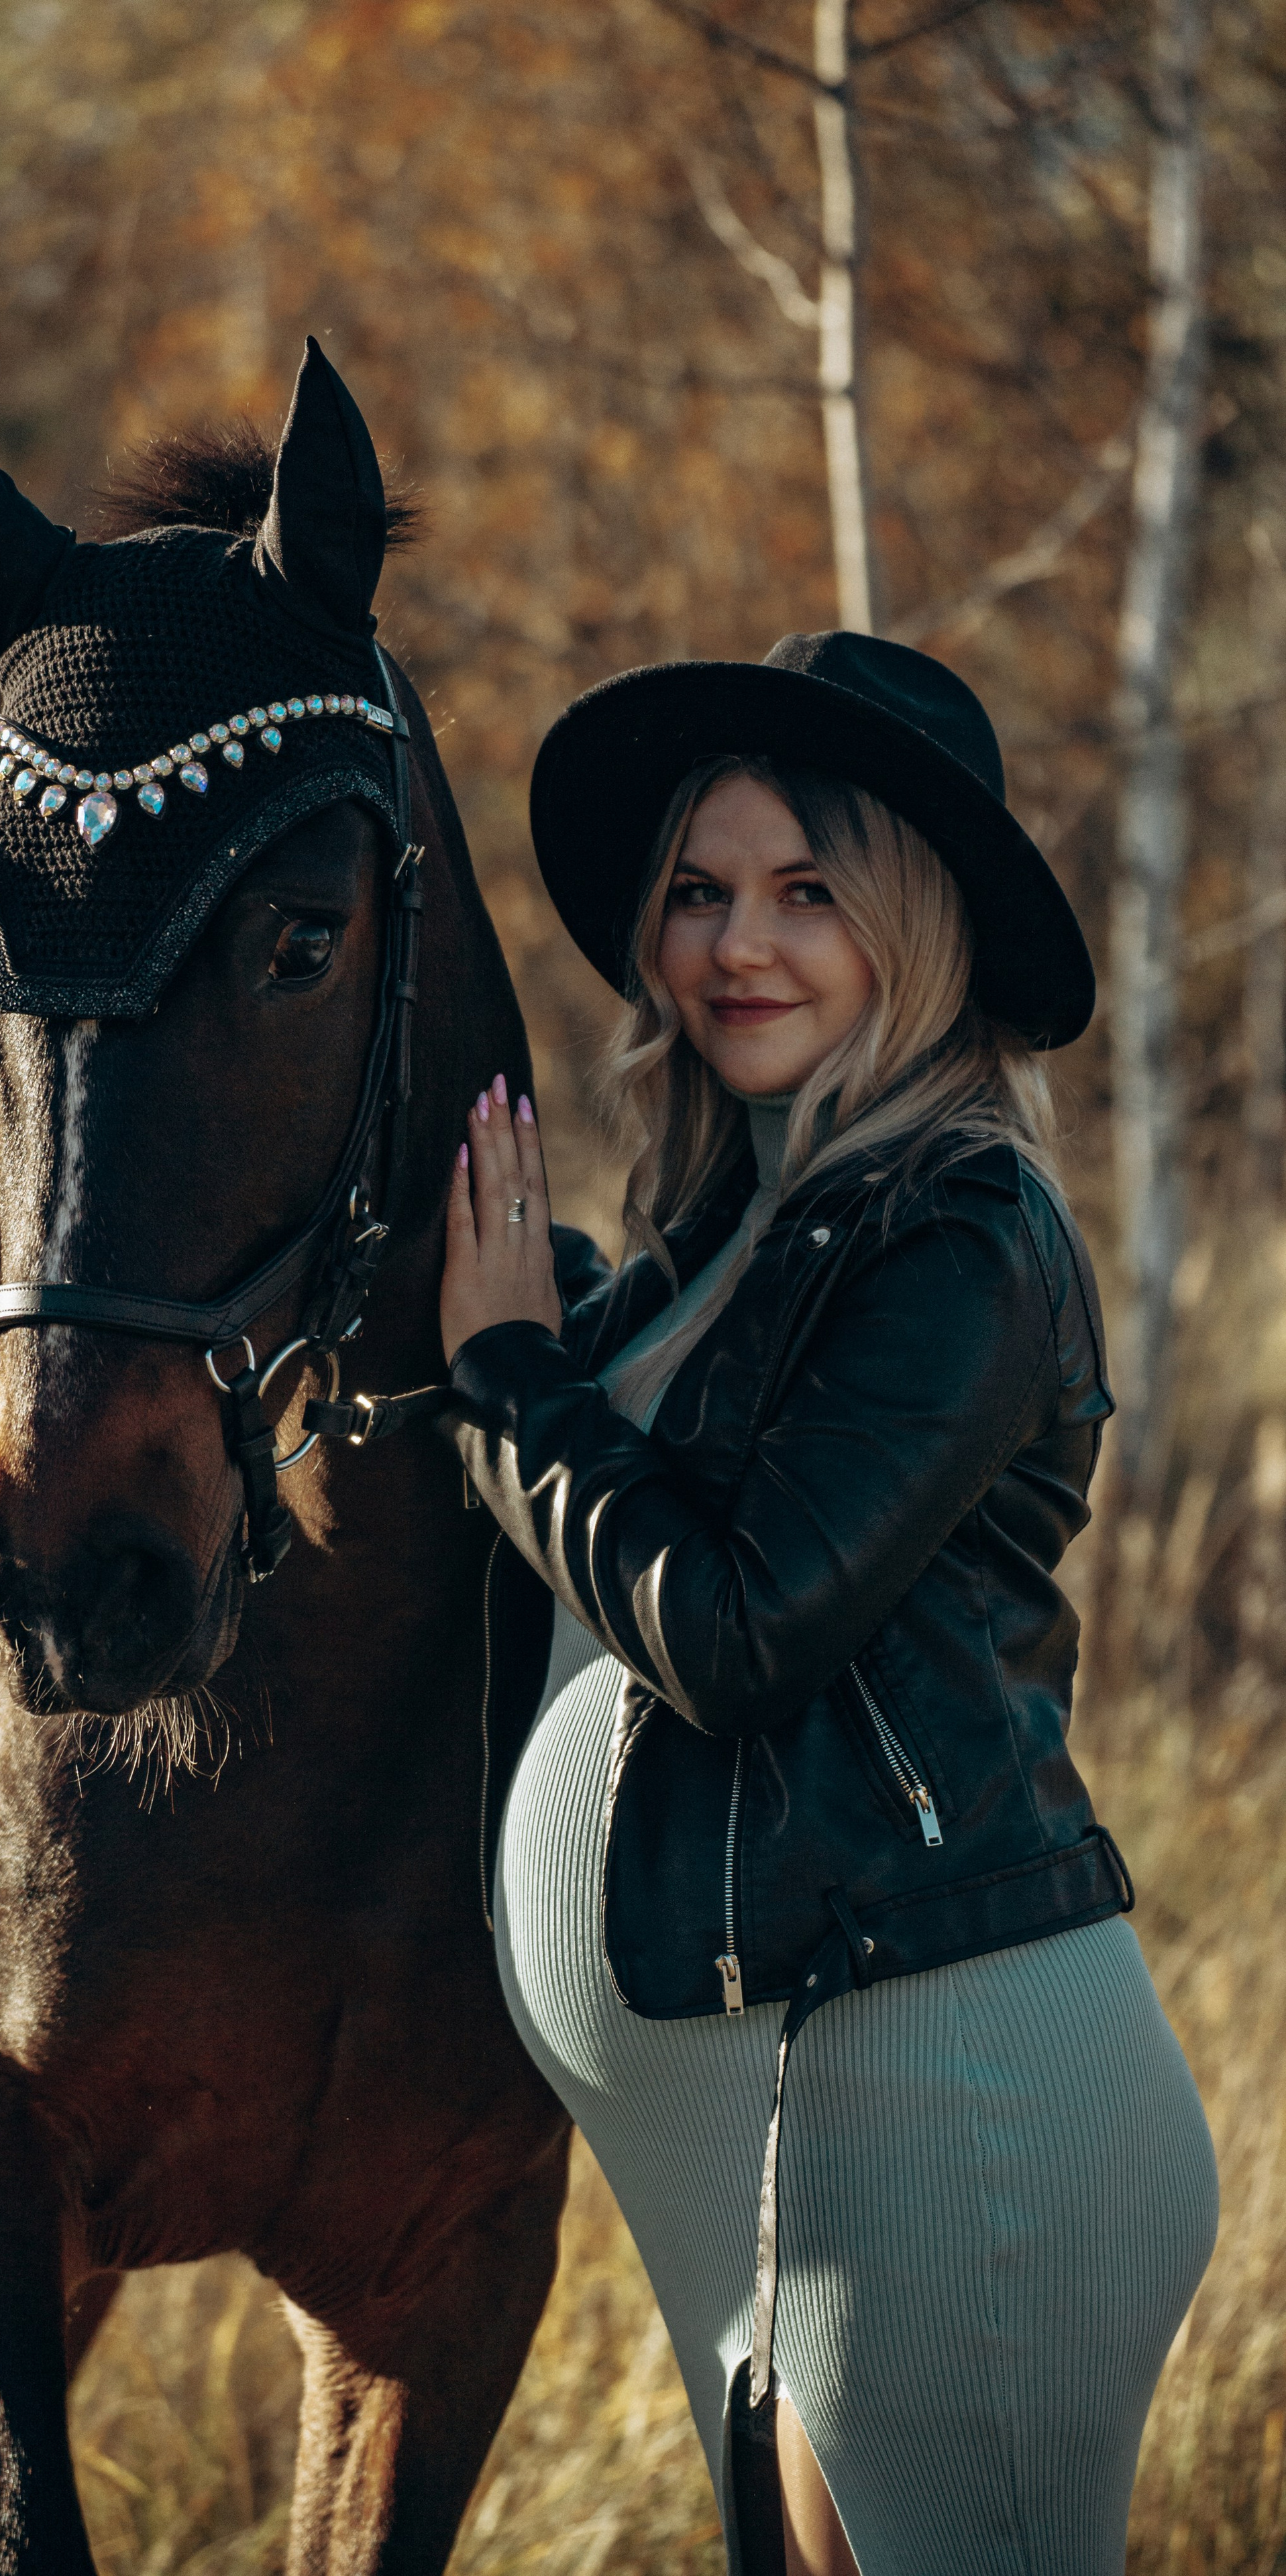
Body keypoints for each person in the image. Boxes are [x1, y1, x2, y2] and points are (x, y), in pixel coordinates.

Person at [439, 631, 1218, 2576]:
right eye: (696, 893)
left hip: (966, 2126)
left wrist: (517, 1382)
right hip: (806, 2143)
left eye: (806, 893)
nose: (732, 948)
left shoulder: (956, 1232)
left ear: (917, 924)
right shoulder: (731, 1237)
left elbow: (737, 1630)